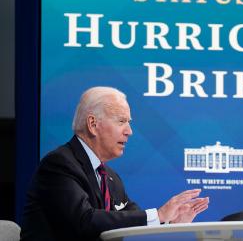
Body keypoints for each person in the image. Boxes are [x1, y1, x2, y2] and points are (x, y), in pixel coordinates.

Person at [20, 87, 209, 241]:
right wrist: (159, 215)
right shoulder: (59, 165)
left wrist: (171, 224)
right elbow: (85, 221)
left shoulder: (110, 177)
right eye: (121, 121)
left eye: (129, 122)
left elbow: (136, 226)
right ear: (93, 124)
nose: (129, 131)